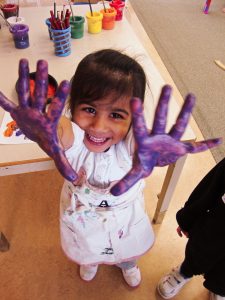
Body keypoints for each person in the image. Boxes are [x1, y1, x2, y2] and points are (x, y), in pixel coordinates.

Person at [0, 49, 221, 287]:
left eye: (116, 114)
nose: (98, 125)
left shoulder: (130, 143)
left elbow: (141, 143)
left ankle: (128, 264)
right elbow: (60, 131)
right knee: (88, 246)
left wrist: (154, 153)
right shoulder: (74, 138)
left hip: (124, 220)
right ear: (72, 107)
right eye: (90, 109)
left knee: (127, 249)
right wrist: (44, 129)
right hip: (83, 220)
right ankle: (91, 261)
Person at [157, 158, 225, 300]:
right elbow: (210, 186)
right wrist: (188, 217)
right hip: (220, 222)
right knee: (202, 248)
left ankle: (220, 288)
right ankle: (185, 271)